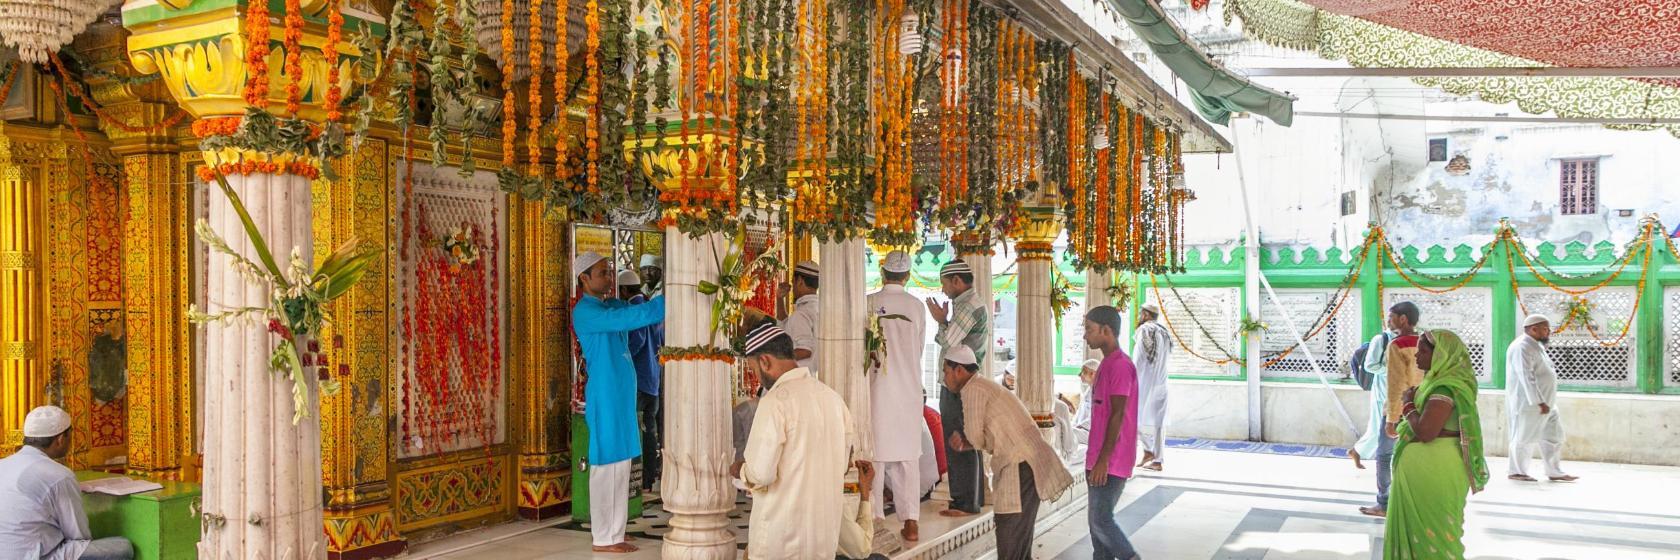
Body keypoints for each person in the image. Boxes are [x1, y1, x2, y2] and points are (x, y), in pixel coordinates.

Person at [732, 322, 853, 559]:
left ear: (765, 361)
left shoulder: (775, 402)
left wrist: (741, 471)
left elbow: (761, 474)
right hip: (822, 539)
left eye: (754, 369)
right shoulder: (833, 399)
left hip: (781, 541)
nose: (756, 377)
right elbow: (843, 464)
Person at [571, 252, 666, 553]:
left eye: (609, 271)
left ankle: (617, 532)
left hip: (622, 396)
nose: (608, 277)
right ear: (584, 279)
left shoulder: (607, 304)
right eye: (602, 272)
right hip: (606, 397)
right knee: (605, 466)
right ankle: (603, 536)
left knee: (623, 464)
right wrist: (670, 298)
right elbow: (630, 316)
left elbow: (625, 309)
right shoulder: (585, 312)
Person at [941, 346, 1073, 560]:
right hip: (1028, 463)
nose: (944, 378)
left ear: (959, 370)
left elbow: (975, 436)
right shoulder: (985, 385)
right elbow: (984, 436)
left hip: (1020, 466)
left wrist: (964, 442)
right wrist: (968, 443)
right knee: (1018, 541)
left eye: (946, 371)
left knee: (1010, 538)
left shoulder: (972, 389)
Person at [1384, 330, 1491, 560]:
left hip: (1435, 471)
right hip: (1423, 471)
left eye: (1423, 350)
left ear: (1441, 355)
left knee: (1438, 536)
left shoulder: (1445, 388)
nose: (1416, 356)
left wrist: (1407, 405)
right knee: (1426, 533)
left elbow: (1425, 432)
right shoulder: (1433, 382)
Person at [0, 405, 134, 560]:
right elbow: (78, 536)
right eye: (70, 435)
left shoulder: (3, 464)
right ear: (60, 439)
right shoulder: (59, 475)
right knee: (123, 547)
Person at [865, 250, 929, 540]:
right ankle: (911, 521)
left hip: (878, 388)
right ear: (906, 276)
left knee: (875, 455)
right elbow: (918, 349)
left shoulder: (870, 303)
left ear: (883, 272)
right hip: (909, 389)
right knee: (907, 458)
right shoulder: (916, 307)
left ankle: (875, 517)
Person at [926, 259, 988, 517]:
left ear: (956, 281)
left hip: (959, 384)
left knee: (959, 439)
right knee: (966, 437)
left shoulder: (968, 305)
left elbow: (948, 341)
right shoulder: (967, 304)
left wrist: (941, 322)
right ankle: (972, 498)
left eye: (944, 283)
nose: (943, 290)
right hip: (962, 381)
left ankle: (964, 502)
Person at [1082, 306, 1142, 560]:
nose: (1086, 336)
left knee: (1101, 520)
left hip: (1111, 459)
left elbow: (1118, 414)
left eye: (1089, 329)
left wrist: (1104, 460)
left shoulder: (1120, 366)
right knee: (1097, 532)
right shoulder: (1107, 364)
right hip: (1098, 456)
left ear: (1106, 331)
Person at [1355, 302, 1421, 518]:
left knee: (1384, 456)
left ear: (1403, 319)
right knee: (1412, 456)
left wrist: (1392, 418)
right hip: (1421, 408)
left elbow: (1396, 384)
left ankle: (1384, 503)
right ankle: (1412, 500)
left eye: (1392, 317)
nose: (1388, 321)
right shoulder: (1425, 343)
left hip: (1399, 408)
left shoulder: (1397, 345)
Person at [1506, 314, 1577, 483]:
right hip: (1530, 404)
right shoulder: (1522, 347)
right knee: (1524, 437)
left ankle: (1554, 471)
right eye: (1545, 328)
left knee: (1554, 435)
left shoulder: (1536, 345)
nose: (1549, 332)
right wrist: (1538, 401)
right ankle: (1517, 471)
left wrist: (1546, 402)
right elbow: (1526, 376)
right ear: (1533, 329)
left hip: (1548, 402)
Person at [616, 270, 665, 494]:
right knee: (650, 429)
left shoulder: (635, 311)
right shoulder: (651, 309)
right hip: (653, 379)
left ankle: (640, 481)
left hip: (639, 380)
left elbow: (636, 342)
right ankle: (649, 478)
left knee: (638, 430)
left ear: (624, 290)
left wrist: (620, 357)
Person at [1132, 303, 1173, 471]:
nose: (1139, 317)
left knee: (1130, 416)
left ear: (1146, 315)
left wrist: (1130, 379)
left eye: (1141, 314)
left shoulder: (1145, 330)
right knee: (1159, 422)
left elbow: (1139, 358)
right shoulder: (1165, 332)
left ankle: (1149, 449)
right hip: (1162, 383)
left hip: (1144, 382)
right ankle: (1157, 459)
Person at [782, 260, 822, 371]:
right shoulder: (819, 308)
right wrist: (780, 299)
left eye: (793, 282)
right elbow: (786, 325)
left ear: (799, 281)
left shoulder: (801, 314)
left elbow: (805, 350)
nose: (792, 287)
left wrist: (777, 359)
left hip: (800, 377)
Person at [1074, 358, 1100, 448]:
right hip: (1083, 430)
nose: (1079, 375)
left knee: (1064, 432)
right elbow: (1080, 413)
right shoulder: (1090, 389)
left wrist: (1075, 427)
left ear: (1093, 374)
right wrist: (1072, 425)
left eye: (1083, 372)